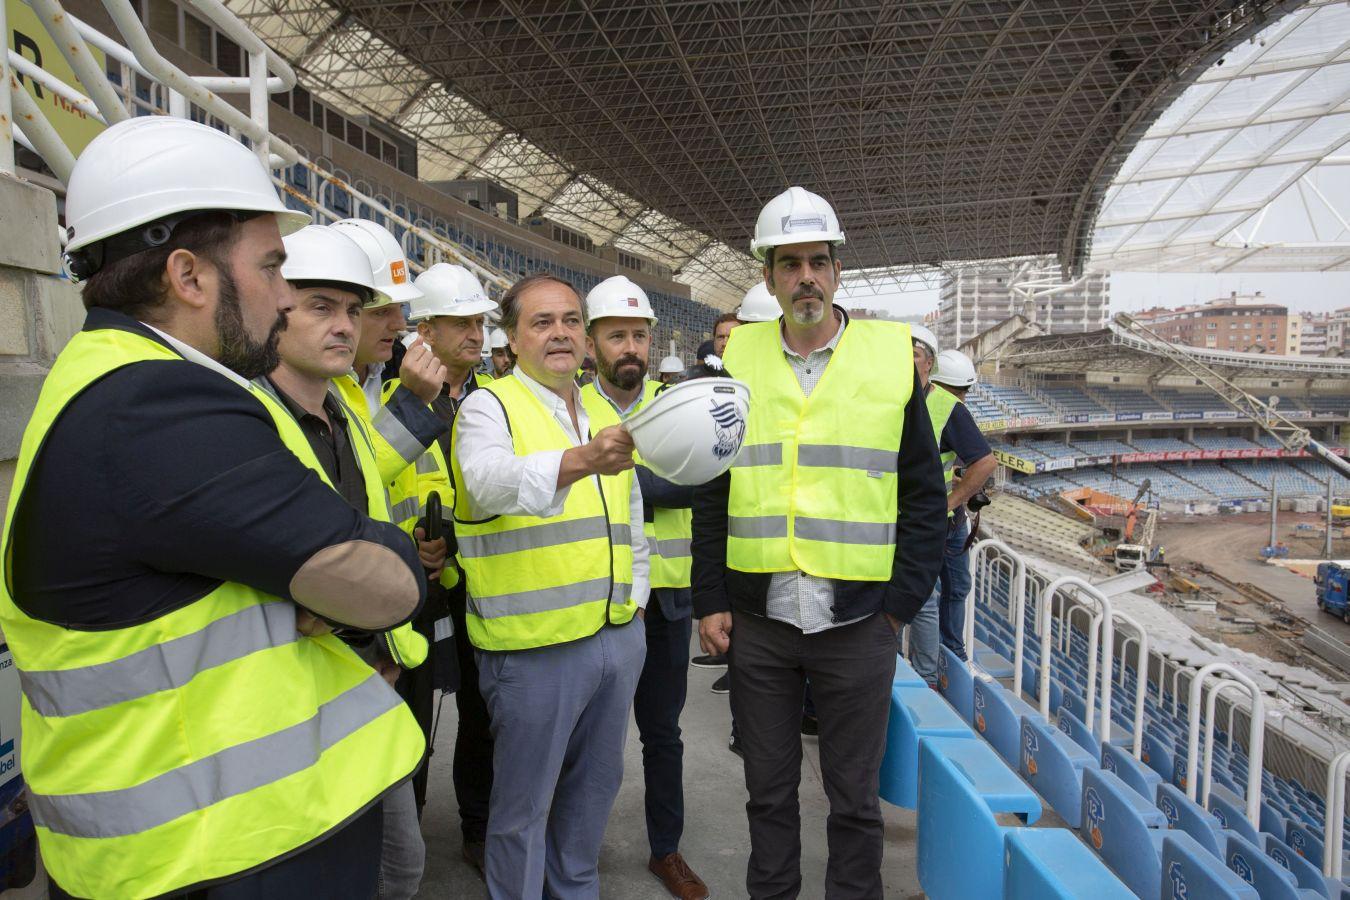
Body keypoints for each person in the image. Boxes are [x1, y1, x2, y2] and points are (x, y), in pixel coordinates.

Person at [4, 116, 426, 899]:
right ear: (190, 277)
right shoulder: (157, 402)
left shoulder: (119, 380)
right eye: (271, 267)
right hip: (213, 854)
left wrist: (314, 580)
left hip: (204, 844)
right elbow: (389, 584)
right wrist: (364, 563)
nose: (281, 296)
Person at [692, 186, 946, 899]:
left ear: (837, 272)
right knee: (767, 795)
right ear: (769, 277)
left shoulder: (889, 358)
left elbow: (924, 496)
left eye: (818, 261)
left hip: (859, 622)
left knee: (854, 803)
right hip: (761, 623)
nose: (805, 275)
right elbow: (716, 488)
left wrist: (899, 604)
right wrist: (709, 597)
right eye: (789, 263)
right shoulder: (737, 359)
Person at [451, 273, 650, 898]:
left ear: (585, 339)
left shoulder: (599, 411)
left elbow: (630, 516)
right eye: (542, 322)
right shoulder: (490, 405)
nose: (560, 333)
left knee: (593, 795)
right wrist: (582, 459)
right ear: (511, 337)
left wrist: (636, 605)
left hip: (614, 637)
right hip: (532, 649)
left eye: (570, 320)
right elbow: (487, 482)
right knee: (521, 812)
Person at [265, 224, 436, 900]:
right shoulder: (251, 416)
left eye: (352, 309)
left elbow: (368, 531)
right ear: (273, 309)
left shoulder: (345, 411)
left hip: (368, 675)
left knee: (399, 865)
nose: (344, 326)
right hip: (296, 702)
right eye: (319, 307)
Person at [579, 276, 708, 900]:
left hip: (667, 597)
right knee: (583, 736)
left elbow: (702, 483)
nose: (630, 347)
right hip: (592, 595)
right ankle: (571, 848)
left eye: (638, 335)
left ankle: (666, 850)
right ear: (591, 341)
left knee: (663, 733)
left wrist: (625, 481)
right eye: (616, 335)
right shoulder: (569, 408)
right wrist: (649, 480)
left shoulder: (677, 404)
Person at [405, 263, 499, 877]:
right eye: (460, 321)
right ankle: (402, 837)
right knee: (406, 717)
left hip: (480, 583)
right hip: (409, 584)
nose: (474, 332)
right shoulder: (394, 397)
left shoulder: (496, 396)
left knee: (479, 713)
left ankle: (478, 827)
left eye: (479, 321)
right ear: (425, 330)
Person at [925, 350, 997, 663]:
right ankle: (948, 655)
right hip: (938, 519)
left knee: (955, 588)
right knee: (936, 595)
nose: (962, 400)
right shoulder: (946, 408)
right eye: (959, 392)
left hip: (946, 520)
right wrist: (953, 500)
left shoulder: (936, 407)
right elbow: (985, 462)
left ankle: (946, 656)